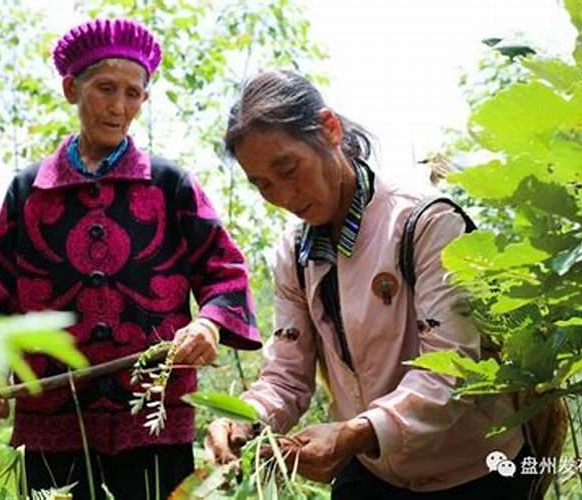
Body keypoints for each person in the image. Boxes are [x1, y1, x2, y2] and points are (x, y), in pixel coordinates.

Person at [205, 70, 536, 499]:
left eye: (288, 169)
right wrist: (243, 416)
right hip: (376, 470)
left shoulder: (425, 223)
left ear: (329, 129)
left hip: (475, 468)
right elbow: (287, 375)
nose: (284, 195)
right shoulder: (295, 255)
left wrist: (357, 433)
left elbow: (452, 369)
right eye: (263, 185)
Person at [0, 18, 261, 499]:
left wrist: (209, 324)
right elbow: (0, 302)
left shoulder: (170, 185)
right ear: (70, 88)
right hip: (51, 428)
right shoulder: (27, 192)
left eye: (133, 93)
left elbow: (225, 273)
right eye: (105, 88)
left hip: (154, 424)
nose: (119, 106)